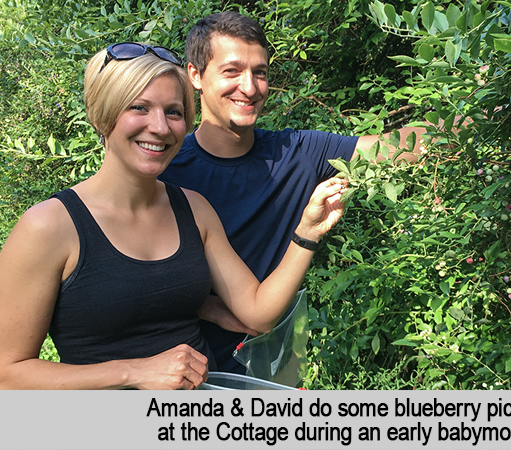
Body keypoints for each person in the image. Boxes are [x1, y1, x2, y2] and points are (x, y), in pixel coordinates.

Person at [0, 42, 345, 389]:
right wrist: (133, 372)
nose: (161, 127)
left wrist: (308, 232)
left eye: (174, 112)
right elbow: (7, 373)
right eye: (139, 108)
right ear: (102, 116)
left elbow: (258, 313)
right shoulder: (49, 226)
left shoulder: (193, 209)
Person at [159, 11, 432, 373]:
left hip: (272, 370)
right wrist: (201, 305)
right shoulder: (165, 168)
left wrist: (484, 109)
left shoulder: (298, 153)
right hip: (182, 372)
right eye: (232, 71)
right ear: (195, 75)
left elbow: (393, 147)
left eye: (260, 72)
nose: (251, 87)